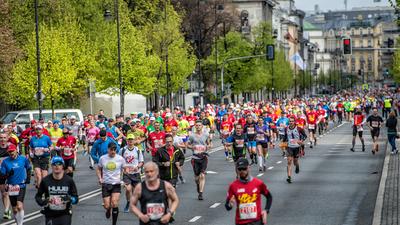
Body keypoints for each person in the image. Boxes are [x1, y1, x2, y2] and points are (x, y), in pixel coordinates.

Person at [225, 158, 272, 225]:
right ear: (237, 170)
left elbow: (269, 197)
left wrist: (266, 210)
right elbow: (227, 206)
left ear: (248, 168)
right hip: (240, 222)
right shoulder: (233, 186)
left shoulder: (258, 183)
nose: (242, 171)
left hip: (256, 222)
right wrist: (230, 205)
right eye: (239, 169)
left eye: (244, 169)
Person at [35, 156, 78, 225]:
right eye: (54, 164)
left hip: (65, 213)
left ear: (62, 166)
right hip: (50, 214)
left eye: (59, 164)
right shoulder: (45, 180)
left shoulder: (69, 180)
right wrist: (43, 202)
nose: (56, 166)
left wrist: (70, 198)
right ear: (51, 166)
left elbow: (76, 198)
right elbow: (38, 196)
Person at [0, 144, 31, 225]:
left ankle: (20, 224)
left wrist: (28, 179)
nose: (11, 153)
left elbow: (28, 168)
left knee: (19, 206)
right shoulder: (5, 162)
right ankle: (18, 223)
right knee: (14, 209)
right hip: (11, 186)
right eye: (9, 152)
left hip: (21, 185)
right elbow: (2, 176)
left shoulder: (23, 159)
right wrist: (8, 174)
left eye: (12, 151)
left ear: (16, 150)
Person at [96, 142, 126, 225]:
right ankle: (108, 209)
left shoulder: (120, 159)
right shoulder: (102, 158)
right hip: (106, 184)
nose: (113, 151)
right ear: (108, 149)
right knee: (107, 205)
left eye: (114, 150)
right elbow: (98, 169)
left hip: (116, 183)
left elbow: (125, 169)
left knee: (115, 203)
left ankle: (114, 223)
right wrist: (100, 178)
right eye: (111, 150)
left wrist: (124, 180)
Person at [187, 120, 212, 200]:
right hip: (195, 158)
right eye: (196, 125)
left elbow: (209, 143)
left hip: (203, 157)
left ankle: (200, 193)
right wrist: (192, 147)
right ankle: (198, 185)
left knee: (202, 175)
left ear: (202, 126)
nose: (198, 127)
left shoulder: (206, 135)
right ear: (195, 126)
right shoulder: (192, 136)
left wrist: (209, 146)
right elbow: (187, 145)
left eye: (199, 125)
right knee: (197, 178)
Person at [120, 134, 144, 213]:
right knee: (128, 189)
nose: (130, 141)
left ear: (134, 141)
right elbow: (119, 161)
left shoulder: (138, 150)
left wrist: (138, 167)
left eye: (132, 140)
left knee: (137, 192)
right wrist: (123, 169)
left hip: (136, 173)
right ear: (127, 141)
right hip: (127, 174)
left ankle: (134, 202)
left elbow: (141, 162)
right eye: (129, 140)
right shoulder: (123, 150)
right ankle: (128, 202)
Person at [285, 117, 307, 183]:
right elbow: (285, 137)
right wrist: (283, 142)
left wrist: (301, 141)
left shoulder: (299, 128)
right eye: (290, 121)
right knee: (289, 161)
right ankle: (289, 177)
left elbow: (305, 136)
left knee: (295, 162)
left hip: (297, 147)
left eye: (292, 121)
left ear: (294, 122)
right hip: (289, 147)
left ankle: (297, 166)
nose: (291, 122)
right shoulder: (286, 129)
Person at [0, 132, 12, 219]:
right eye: (1, 137)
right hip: (0, 174)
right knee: (3, 193)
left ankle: (7, 210)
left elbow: (15, 158)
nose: (2, 139)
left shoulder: (10, 147)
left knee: (6, 193)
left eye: (4, 137)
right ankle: (7, 209)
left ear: (7, 138)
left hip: (8, 173)